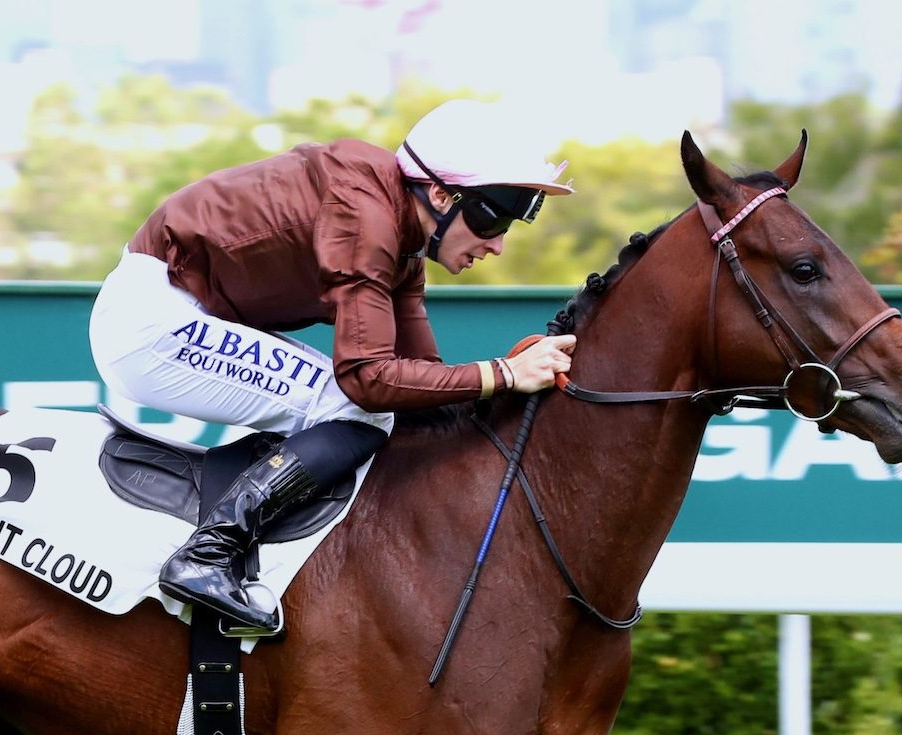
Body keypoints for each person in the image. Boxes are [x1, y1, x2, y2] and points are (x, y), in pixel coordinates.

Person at [90, 98, 579, 634]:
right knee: (352, 407)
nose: (499, 244)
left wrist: (504, 384)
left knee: (375, 409)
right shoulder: (366, 218)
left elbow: (419, 378)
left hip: (176, 309)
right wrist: (503, 375)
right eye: (495, 218)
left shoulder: (402, 239)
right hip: (153, 321)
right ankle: (207, 555)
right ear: (440, 194)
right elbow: (369, 380)